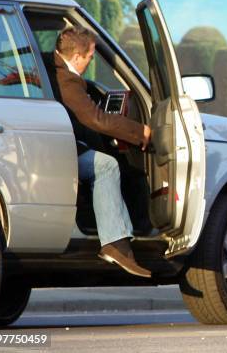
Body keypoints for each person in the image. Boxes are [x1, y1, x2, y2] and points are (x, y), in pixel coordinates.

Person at [46, 27, 151, 277]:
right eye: (90, 57)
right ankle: (115, 242)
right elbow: (96, 118)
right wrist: (140, 132)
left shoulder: (50, 66)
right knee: (106, 165)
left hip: (54, 148)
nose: (90, 62)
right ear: (78, 57)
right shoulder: (68, 81)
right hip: (59, 153)